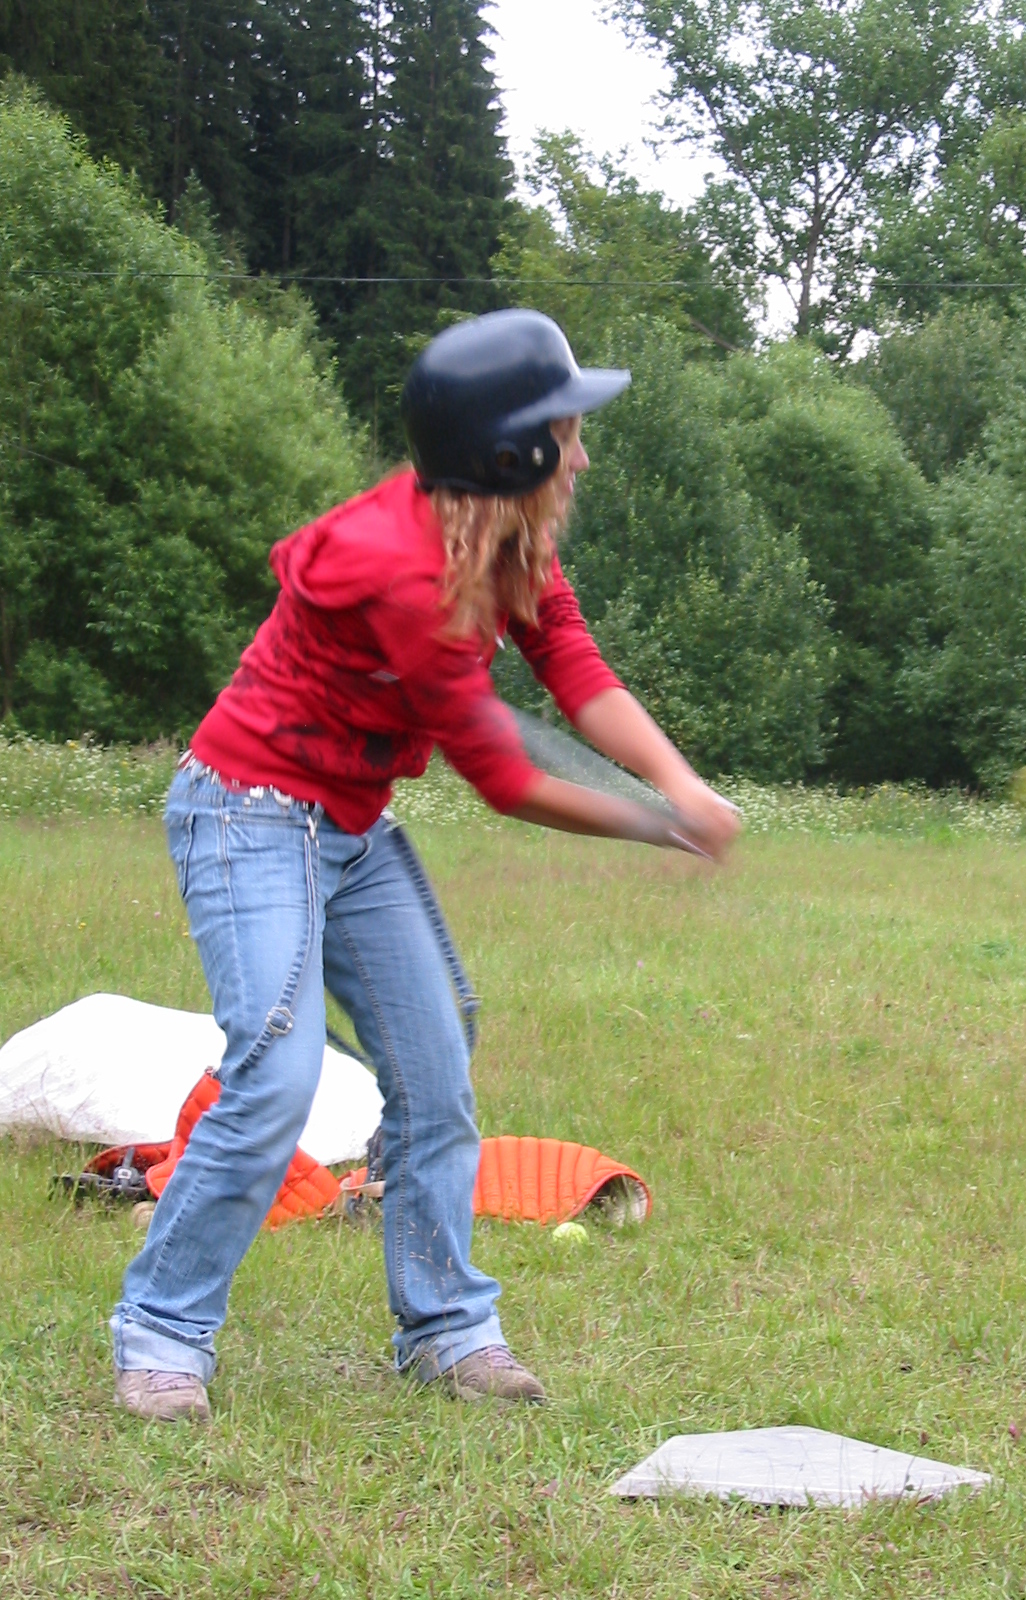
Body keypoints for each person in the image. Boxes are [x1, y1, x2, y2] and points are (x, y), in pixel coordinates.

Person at [109, 310, 740, 1423]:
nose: (583, 455)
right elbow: (504, 777)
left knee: (436, 1070)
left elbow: (571, 660)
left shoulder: (503, 534)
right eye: (568, 433)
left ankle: (446, 1327)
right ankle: (161, 1333)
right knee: (276, 1076)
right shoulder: (403, 570)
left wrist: (677, 781)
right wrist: (658, 825)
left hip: (350, 828)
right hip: (249, 817)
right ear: (513, 454)